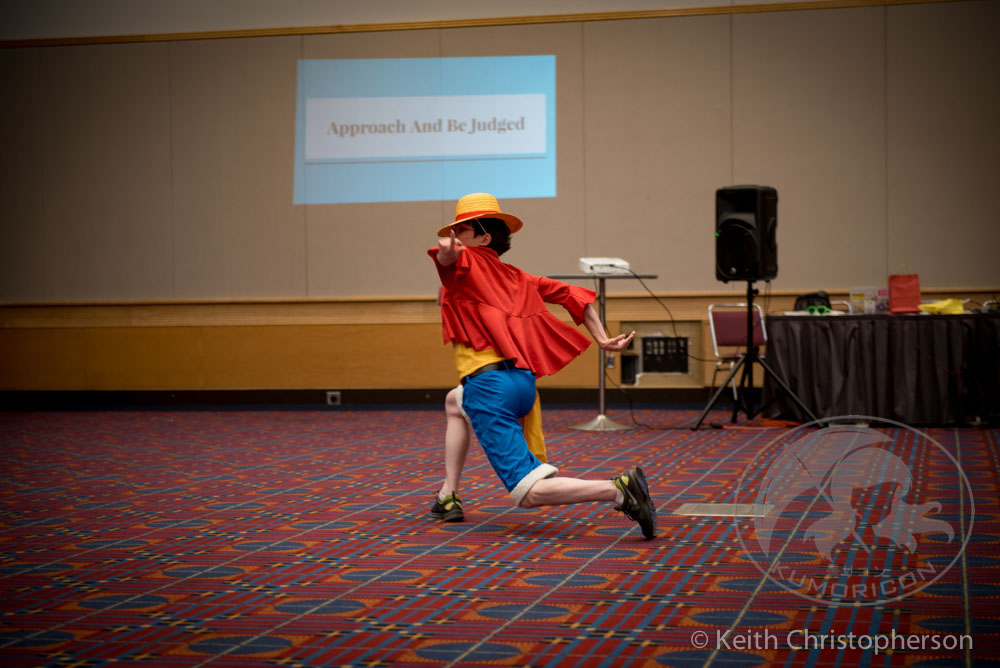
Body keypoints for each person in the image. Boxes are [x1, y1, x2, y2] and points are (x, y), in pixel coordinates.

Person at [427, 192, 657, 539]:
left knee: (528, 492)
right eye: (454, 230)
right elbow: (575, 296)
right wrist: (602, 339)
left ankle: (619, 490)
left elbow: (448, 262)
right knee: (453, 401)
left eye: (462, 229)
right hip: (521, 383)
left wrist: (446, 255)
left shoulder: (464, 266)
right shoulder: (519, 277)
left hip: (490, 388)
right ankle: (448, 494)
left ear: (484, 238)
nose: (455, 235)